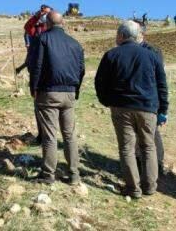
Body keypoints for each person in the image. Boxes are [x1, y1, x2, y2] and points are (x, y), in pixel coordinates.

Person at [94, 20, 168, 198]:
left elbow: (100, 82)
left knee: (127, 148)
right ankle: (150, 186)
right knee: (148, 146)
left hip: (121, 107)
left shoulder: (111, 55)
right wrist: (163, 109)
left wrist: (106, 101)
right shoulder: (151, 55)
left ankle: (133, 188)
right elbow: (161, 84)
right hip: (147, 108)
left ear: (121, 35)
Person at [28, 12, 84, 185]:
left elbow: (35, 66)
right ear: (63, 23)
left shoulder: (41, 39)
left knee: (50, 136)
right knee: (69, 135)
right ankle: (74, 174)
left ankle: (48, 174)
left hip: (48, 93)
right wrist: (76, 90)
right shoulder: (75, 44)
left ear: (47, 24)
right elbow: (81, 70)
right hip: (69, 93)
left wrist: (33, 88)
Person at [135, 24, 166, 176]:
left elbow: (159, 78)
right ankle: (141, 163)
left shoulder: (152, 51)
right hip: (140, 99)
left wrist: (163, 107)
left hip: (148, 99)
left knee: (151, 133)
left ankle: (157, 164)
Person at [15, 4, 51, 74]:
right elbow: (27, 29)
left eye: (48, 14)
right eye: (44, 13)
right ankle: (19, 69)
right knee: (29, 61)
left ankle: (19, 69)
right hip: (34, 53)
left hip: (47, 58)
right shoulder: (36, 27)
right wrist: (27, 43)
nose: (46, 15)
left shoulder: (50, 27)